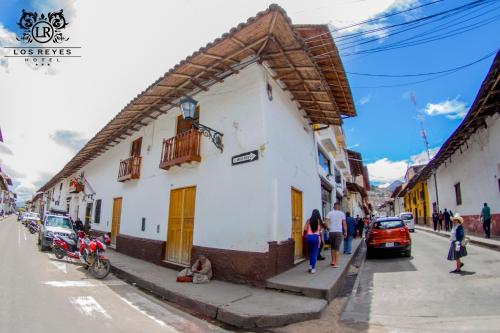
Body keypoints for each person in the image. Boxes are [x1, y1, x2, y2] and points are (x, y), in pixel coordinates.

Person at [325, 202, 347, 268]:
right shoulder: (342, 214)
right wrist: (345, 231)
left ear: (333, 207)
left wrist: (328, 228)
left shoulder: (330, 213)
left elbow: (325, 221)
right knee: (337, 248)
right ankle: (336, 264)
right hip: (338, 232)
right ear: (339, 207)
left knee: (332, 247)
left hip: (331, 232)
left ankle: (333, 261)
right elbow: (344, 223)